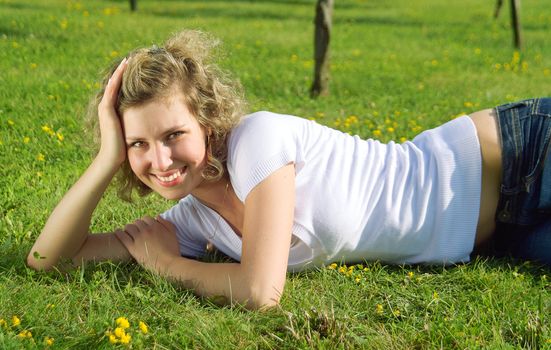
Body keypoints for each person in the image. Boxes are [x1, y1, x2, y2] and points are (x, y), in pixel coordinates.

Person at [27, 30, 551, 310]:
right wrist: (106, 159)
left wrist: (168, 267)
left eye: (173, 135)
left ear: (206, 119)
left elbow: (260, 292)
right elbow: (49, 259)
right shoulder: (190, 224)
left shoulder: (259, 142)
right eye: (138, 144)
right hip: (504, 235)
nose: (159, 162)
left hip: (517, 153)